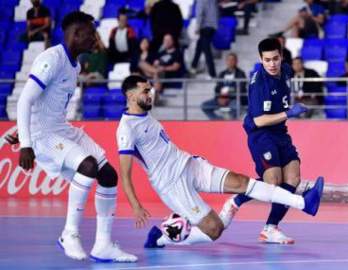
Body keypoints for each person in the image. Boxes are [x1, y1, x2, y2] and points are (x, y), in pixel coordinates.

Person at [116, 75, 324, 249]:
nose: (150, 94)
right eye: (145, 91)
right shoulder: (126, 129)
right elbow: (125, 175)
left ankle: (304, 203)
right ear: (130, 95)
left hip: (188, 164)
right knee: (214, 229)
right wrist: (136, 206)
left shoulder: (146, 116)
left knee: (241, 182)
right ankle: (162, 237)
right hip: (171, 184)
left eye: (150, 90)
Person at [14, 11, 136, 262]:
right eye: (91, 34)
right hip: (43, 135)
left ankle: (103, 245)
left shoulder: (75, 65)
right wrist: (26, 143)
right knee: (88, 166)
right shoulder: (51, 59)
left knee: (108, 175)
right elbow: (25, 100)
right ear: (76, 34)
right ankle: (69, 234)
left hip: (61, 129)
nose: (95, 39)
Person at [219, 38, 313, 244]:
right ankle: (237, 199)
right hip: (261, 134)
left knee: (293, 178)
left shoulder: (286, 70)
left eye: (275, 59)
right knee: (272, 183)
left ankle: (270, 228)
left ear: (281, 57)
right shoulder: (259, 83)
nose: (272, 64)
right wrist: (289, 112)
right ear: (261, 59)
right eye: (267, 60)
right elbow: (259, 120)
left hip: (280, 132)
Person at [201, 52, 247, 120]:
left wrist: (228, 97)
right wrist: (220, 97)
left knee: (236, 107)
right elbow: (217, 88)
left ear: (236, 61)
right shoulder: (222, 74)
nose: (230, 62)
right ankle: (219, 121)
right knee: (205, 106)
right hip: (221, 98)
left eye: (232, 60)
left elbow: (240, 89)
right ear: (226, 61)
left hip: (234, 99)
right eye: (228, 60)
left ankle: (230, 123)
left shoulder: (241, 74)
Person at [190, 0, 218, 78]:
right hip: (212, 26)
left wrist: (197, 27)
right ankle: (193, 67)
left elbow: (200, 14)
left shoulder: (201, 1)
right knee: (199, 47)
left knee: (206, 50)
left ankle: (212, 73)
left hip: (205, 27)